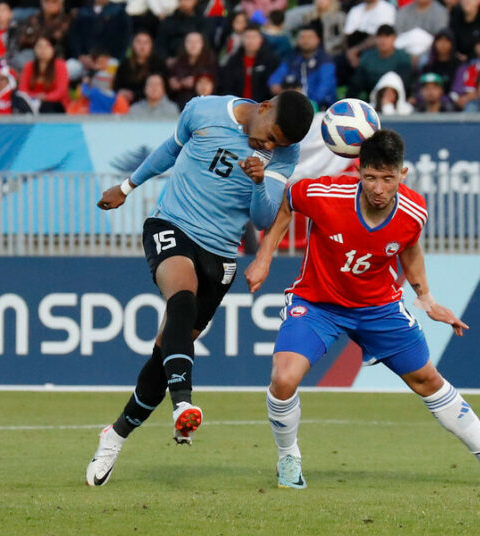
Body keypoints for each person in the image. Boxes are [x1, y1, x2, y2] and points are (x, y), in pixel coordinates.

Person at [244, 129, 480, 490]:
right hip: (318, 302)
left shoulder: (414, 209)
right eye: (371, 177)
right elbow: (286, 204)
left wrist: (427, 299)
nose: (378, 187)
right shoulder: (324, 193)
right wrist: (264, 258)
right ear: (359, 172)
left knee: (428, 380)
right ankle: (288, 458)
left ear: (401, 175)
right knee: (283, 378)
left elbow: (409, 248)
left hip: (378, 306)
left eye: (387, 179)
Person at [86, 89, 315, 486]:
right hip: (172, 225)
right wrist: (126, 188)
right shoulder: (205, 109)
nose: (269, 145)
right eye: (270, 135)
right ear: (262, 109)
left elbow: (262, 220)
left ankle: (116, 434)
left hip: (221, 254)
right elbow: (170, 150)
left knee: (165, 354)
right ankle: (183, 405)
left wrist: (260, 181)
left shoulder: (282, 155)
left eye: (278, 144)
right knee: (182, 298)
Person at [268, 23, 335, 110]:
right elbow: (275, 77)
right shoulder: (292, 58)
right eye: (302, 37)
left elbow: (323, 89)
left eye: (310, 37)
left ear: (318, 40)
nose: (305, 40)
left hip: (322, 109)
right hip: (294, 107)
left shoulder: (325, 61)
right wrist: (277, 87)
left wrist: (300, 95)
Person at [347, 24, 412, 101]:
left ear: (394, 38)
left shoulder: (403, 57)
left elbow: (404, 83)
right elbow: (357, 83)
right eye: (380, 37)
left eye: (387, 37)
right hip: (371, 98)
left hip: (396, 100)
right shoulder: (367, 57)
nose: (383, 40)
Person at [218, 23, 280, 102]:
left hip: (264, 106)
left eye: (254, 37)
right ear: (242, 39)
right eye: (247, 37)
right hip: (238, 106)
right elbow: (227, 86)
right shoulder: (233, 60)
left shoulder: (271, 60)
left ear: (261, 39)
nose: (250, 41)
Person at [18, 35, 69, 112]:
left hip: (55, 104)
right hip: (32, 102)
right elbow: (22, 89)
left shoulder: (60, 65)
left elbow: (61, 91)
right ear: (34, 49)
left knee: (46, 107)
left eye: (46, 47)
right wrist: (35, 97)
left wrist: (45, 97)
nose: (43, 50)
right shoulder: (29, 66)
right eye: (39, 47)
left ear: (53, 49)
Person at [166, 31, 217, 108]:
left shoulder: (211, 62)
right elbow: (170, 87)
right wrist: (172, 84)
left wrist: (198, 82)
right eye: (189, 42)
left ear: (202, 44)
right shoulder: (177, 63)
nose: (193, 45)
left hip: (204, 105)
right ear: (184, 44)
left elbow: (215, 86)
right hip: (180, 105)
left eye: (196, 42)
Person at [114, 31, 166, 105]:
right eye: (138, 42)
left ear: (151, 45)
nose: (142, 46)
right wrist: (121, 91)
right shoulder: (125, 64)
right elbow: (116, 86)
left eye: (146, 43)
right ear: (133, 44)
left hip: (152, 103)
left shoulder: (158, 64)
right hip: (127, 103)